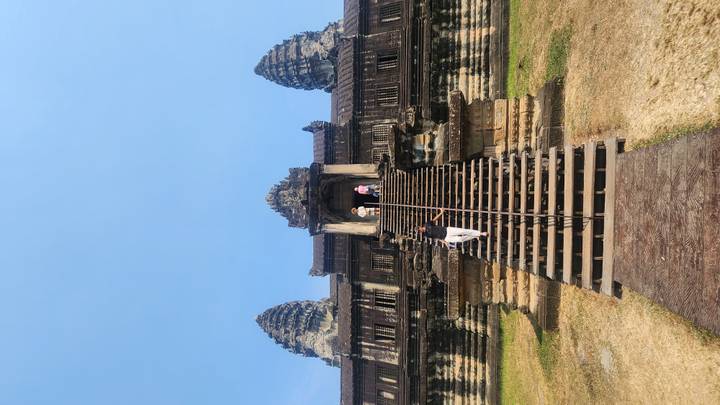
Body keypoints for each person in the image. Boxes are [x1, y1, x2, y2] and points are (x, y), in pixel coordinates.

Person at [417, 209, 487, 248]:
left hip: (447, 230)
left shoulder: (427, 224)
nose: (420, 231)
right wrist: (444, 242)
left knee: (462, 231)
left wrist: (441, 213)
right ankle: (475, 236)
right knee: (460, 239)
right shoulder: (426, 234)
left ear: (420, 227)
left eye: (418, 229)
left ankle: (480, 233)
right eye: (418, 231)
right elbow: (435, 238)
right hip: (446, 238)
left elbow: (435, 219)